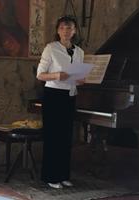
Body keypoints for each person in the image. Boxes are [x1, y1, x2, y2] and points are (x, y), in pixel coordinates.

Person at [36, 16, 85, 189]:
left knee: (66, 138)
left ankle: (63, 175)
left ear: (74, 31)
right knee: (53, 137)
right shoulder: (51, 48)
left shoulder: (79, 51)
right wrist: (57, 75)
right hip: (53, 95)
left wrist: (81, 79)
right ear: (58, 30)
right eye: (63, 28)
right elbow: (40, 74)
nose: (66, 31)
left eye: (70, 28)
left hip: (70, 95)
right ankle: (50, 176)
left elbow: (77, 75)